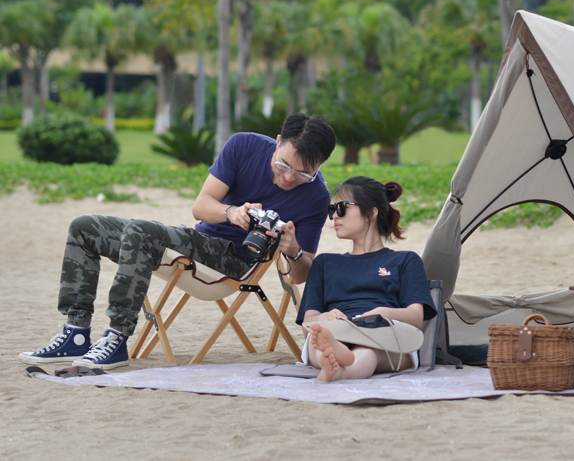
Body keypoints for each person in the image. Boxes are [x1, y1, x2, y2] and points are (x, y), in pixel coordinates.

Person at [19, 113, 336, 370]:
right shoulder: (244, 146)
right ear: (277, 142)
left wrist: (292, 249)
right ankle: (76, 333)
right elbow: (201, 206)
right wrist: (231, 213)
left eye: (303, 173)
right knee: (85, 228)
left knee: (142, 232)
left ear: (319, 166)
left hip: (232, 264)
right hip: (198, 241)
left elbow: (299, 274)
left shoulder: (316, 197)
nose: (290, 177)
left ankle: (116, 337)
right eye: (283, 165)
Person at [299, 176, 436, 381]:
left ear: (370, 213)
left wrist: (381, 313)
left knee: (369, 349)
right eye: (332, 209)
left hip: (384, 333)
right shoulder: (324, 263)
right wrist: (324, 318)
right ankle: (335, 357)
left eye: (342, 207)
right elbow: (308, 322)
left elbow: (416, 317)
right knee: (318, 342)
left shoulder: (405, 260)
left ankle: (337, 365)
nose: (335, 216)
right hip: (337, 330)